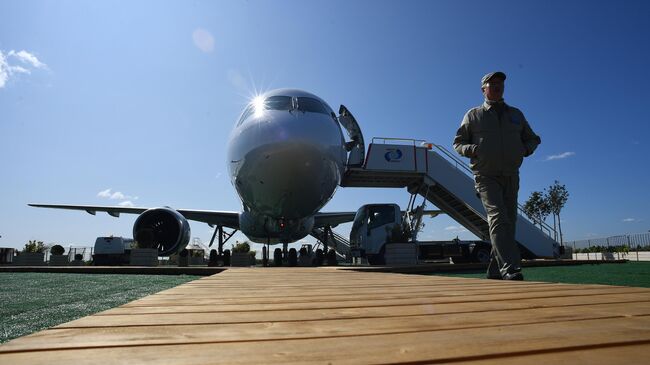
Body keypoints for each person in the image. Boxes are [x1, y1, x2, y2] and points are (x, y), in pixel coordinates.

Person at [453, 71, 541, 280]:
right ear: (483, 89)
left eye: (500, 83)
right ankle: (510, 268)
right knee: (499, 218)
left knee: (509, 222)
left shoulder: (516, 114)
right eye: (492, 84)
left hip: (511, 175)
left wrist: (524, 150)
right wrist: (472, 149)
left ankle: (494, 270)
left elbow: (533, 139)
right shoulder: (473, 115)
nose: (497, 86)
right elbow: (457, 143)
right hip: (485, 175)